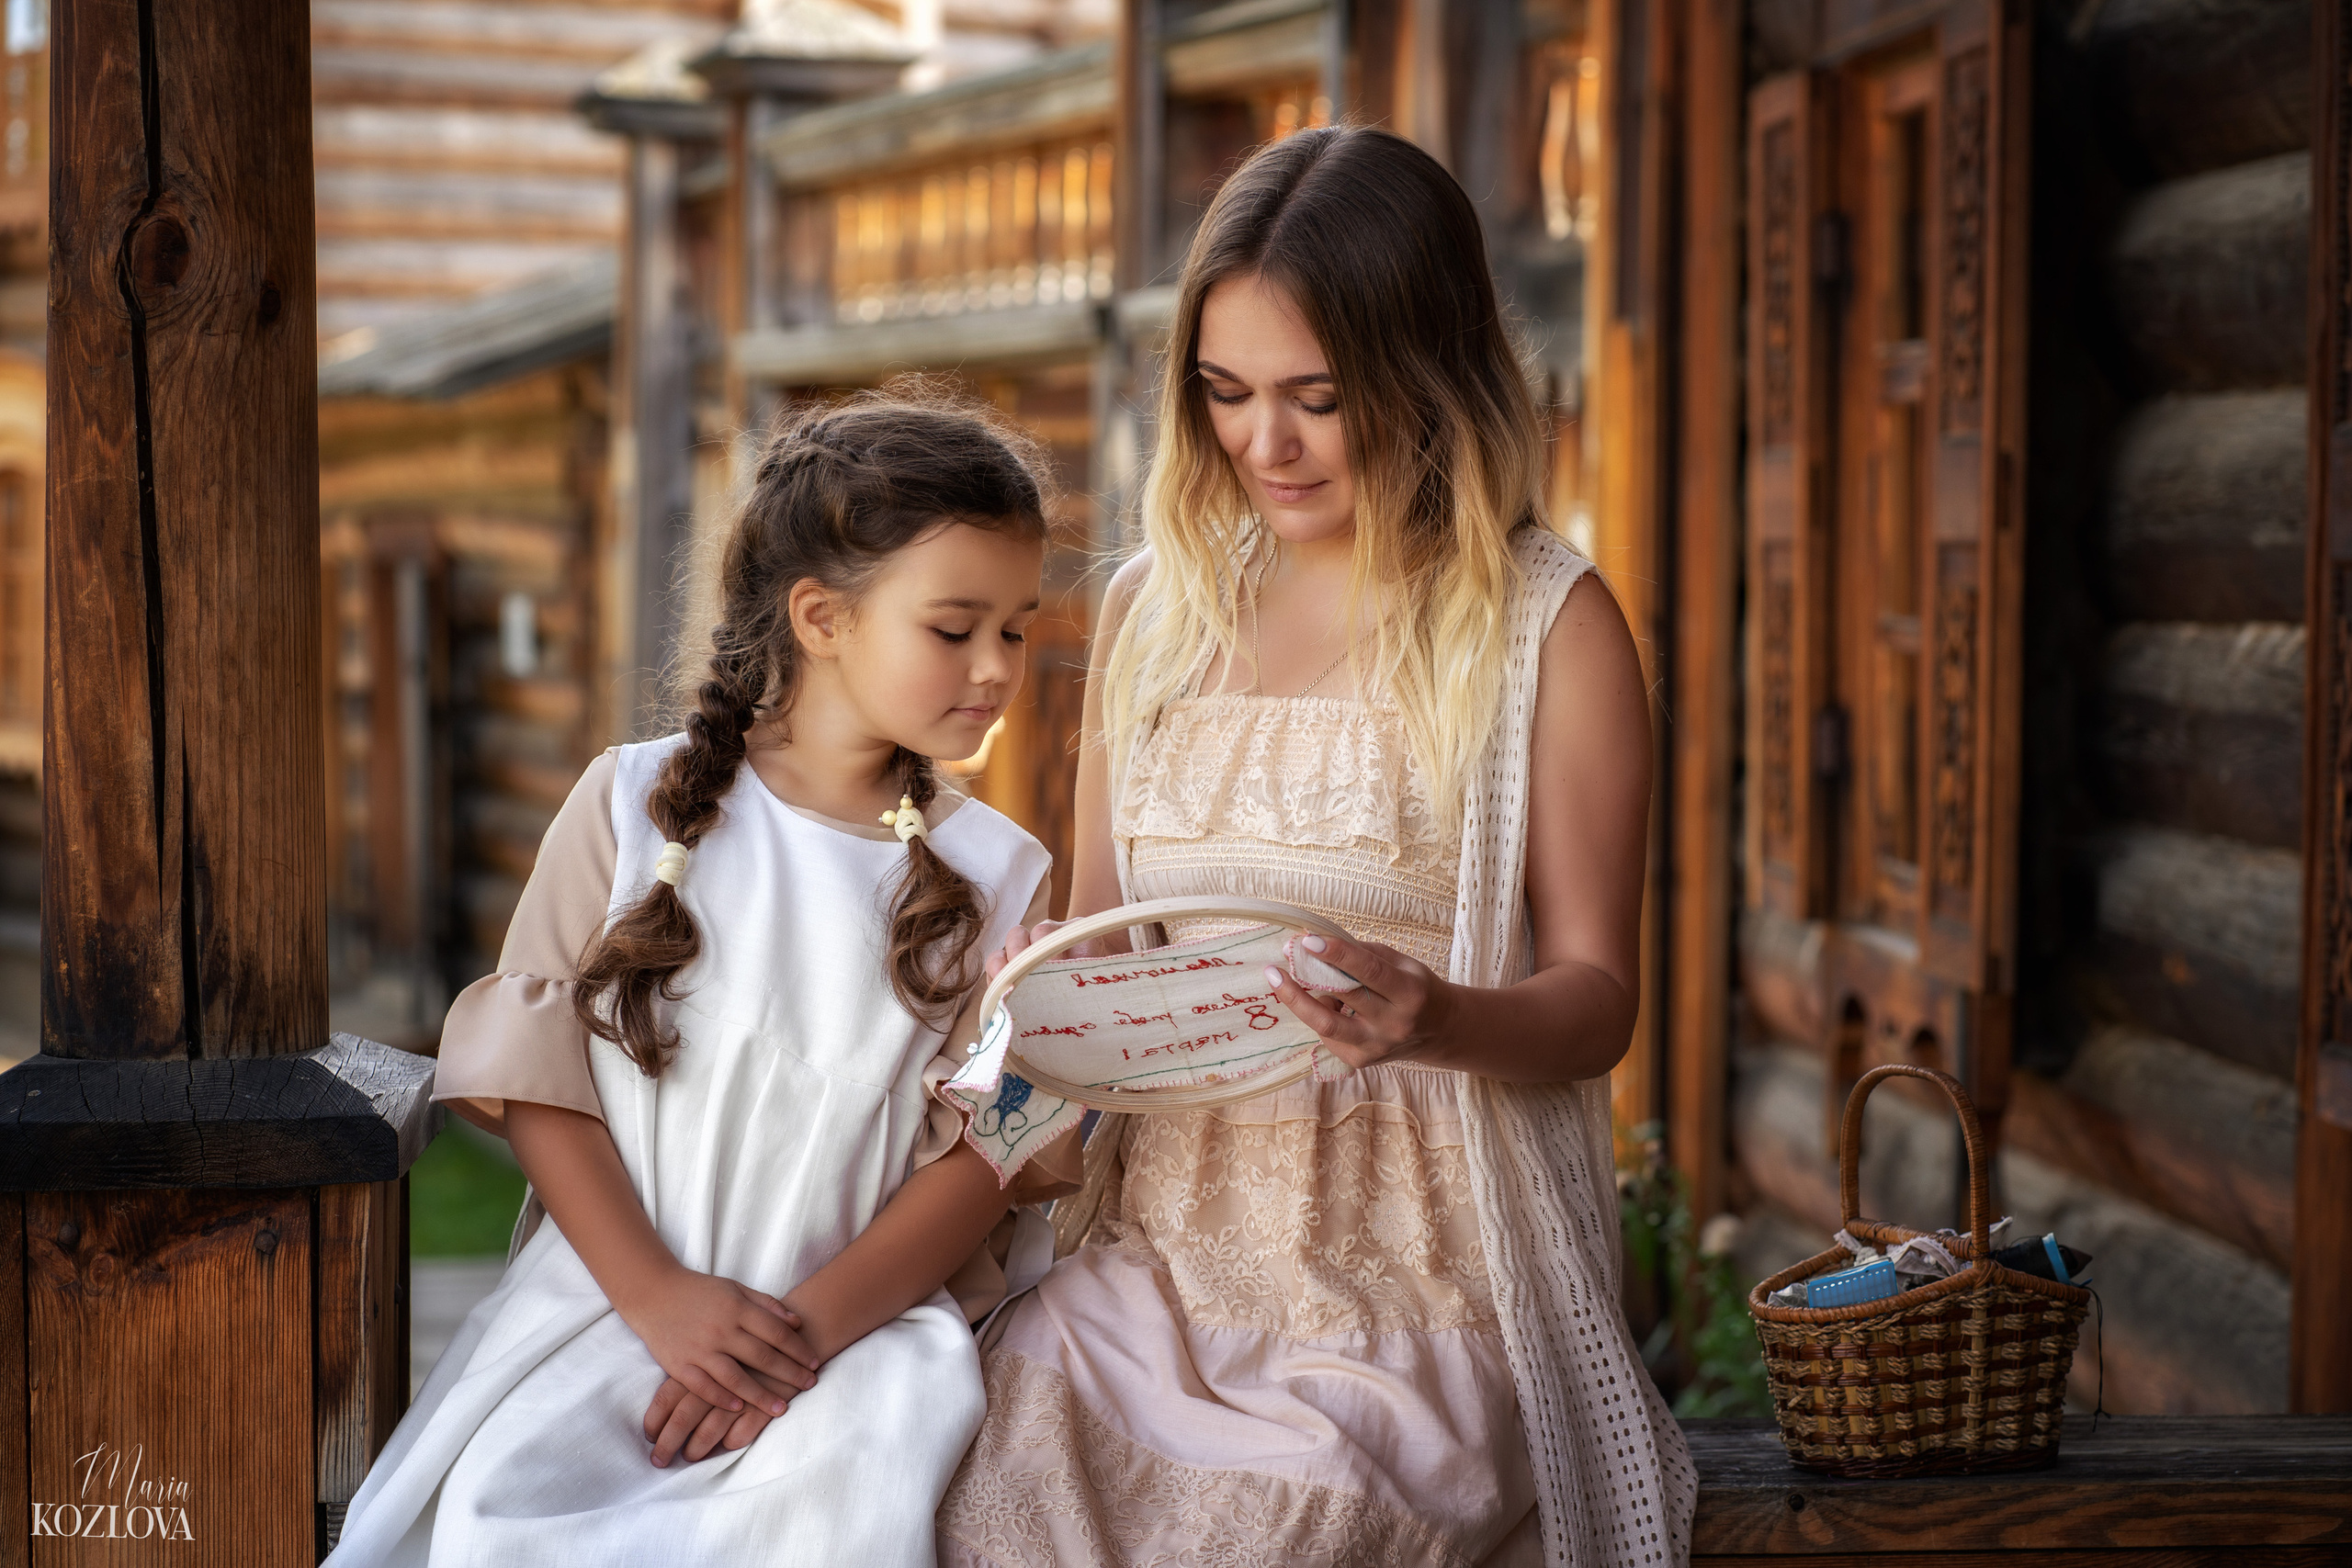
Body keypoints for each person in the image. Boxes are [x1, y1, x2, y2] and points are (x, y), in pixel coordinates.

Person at [936, 126, 1697, 1568]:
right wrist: (1024, 1030)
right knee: (972, 1492)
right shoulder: (1157, 609)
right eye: (1225, 393)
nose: (1263, 445)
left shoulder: (1546, 623)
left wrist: (1437, 1014)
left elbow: (1600, 999)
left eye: (1318, 398)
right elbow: (1101, 955)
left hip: (1425, 1281)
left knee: (1279, 1528)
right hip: (1157, 1259)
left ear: (1428, 373)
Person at [326, 393, 1075, 1568]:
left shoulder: (999, 875)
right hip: (614, 1301)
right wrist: (662, 1300)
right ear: (822, 617)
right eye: (953, 628)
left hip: (852, 1343)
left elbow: (989, 1157)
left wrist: (799, 1337)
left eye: (1016, 631)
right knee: (514, 1520)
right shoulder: (631, 809)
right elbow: (542, 1083)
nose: (995, 668)